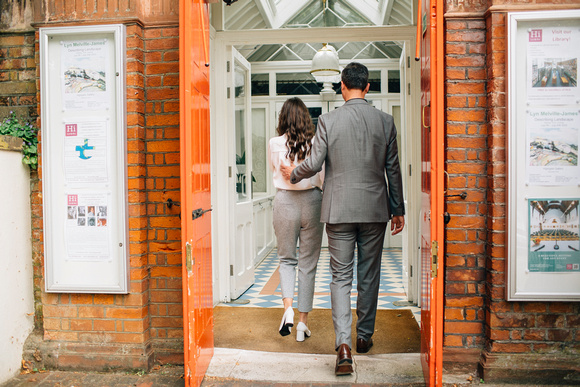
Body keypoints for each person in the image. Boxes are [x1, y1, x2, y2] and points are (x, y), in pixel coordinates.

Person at [281, 62, 405, 375]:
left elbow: (314, 162)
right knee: (369, 274)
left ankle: (344, 346)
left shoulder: (328, 120)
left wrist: (293, 174)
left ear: (341, 85)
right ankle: (364, 337)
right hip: (375, 210)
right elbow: (393, 169)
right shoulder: (385, 122)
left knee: (340, 277)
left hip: (337, 210)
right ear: (367, 87)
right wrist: (398, 209)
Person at [268, 97, 325, 342]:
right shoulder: (315, 143)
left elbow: (275, 169)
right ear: (306, 119)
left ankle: (287, 309)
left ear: (283, 118)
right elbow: (321, 176)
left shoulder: (274, 143)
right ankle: (302, 323)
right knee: (308, 264)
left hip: (284, 202)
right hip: (312, 201)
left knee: (286, 259)